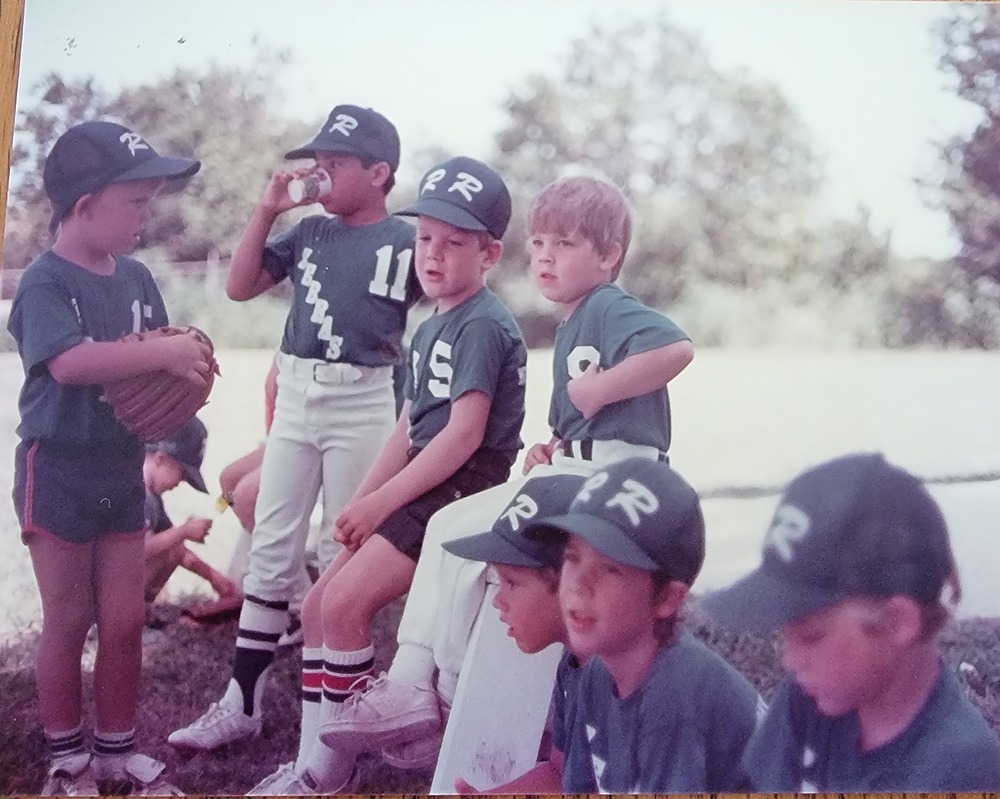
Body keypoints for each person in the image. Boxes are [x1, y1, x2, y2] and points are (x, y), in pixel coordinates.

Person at [321, 173, 695, 767]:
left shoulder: (606, 304)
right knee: (462, 532)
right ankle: (430, 687)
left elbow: (676, 350)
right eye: (540, 243)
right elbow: (591, 417)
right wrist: (557, 445)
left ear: (608, 256)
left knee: (448, 527)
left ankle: (423, 684)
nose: (545, 256)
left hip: (617, 481)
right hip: (583, 468)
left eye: (565, 245)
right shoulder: (577, 317)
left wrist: (598, 388)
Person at [244, 154, 527, 794]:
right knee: (318, 605)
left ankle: (326, 775)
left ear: (489, 255)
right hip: (422, 488)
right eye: (425, 237)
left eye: (455, 243)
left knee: (342, 606)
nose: (433, 254)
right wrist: (362, 502)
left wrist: (380, 506)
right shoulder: (433, 322)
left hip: (460, 492)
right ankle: (312, 762)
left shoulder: (482, 322)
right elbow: (406, 426)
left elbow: (462, 436)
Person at [168, 104, 420, 752]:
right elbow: (239, 285)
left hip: (363, 397)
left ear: (379, 171)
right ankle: (242, 701)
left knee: (343, 547)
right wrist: (266, 211)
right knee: (273, 542)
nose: (320, 174)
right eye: (319, 162)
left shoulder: (405, 238)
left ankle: (334, 711)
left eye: (336, 164)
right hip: (301, 394)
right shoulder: (308, 233)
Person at [8, 120, 206, 795]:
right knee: (70, 617)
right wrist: (163, 353)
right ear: (85, 205)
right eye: (135, 203)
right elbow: (69, 363)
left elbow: (158, 351)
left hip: (120, 468)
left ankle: (117, 753)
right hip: (56, 466)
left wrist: (182, 380)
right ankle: (68, 762)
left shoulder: (137, 275)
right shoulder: (44, 282)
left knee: (123, 619)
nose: (145, 217)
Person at [701, 452, 1000, 792]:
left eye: (812, 637)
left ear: (899, 622)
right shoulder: (811, 697)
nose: (790, 659)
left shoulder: (959, 768)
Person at [517, 457, 762, 793]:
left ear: (667, 600)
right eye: (573, 558)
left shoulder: (676, 699)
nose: (579, 584)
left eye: (609, 569)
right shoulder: (596, 674)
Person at [442, 473, 585, 794]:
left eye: (511, 582)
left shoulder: (634, 682)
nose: (498, 600)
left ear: (569, 584)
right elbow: (561, 773)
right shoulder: (574, 666)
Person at [143, 416, 239, 619]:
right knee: (170, 542)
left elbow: (177, 548)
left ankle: (140, 611)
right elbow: (139, 549)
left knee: (172, 545)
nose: (180, 483)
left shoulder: (154, 499)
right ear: (161, 459)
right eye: (182, 474)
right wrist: (183, 531)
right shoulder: (139, 495)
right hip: (101, 586)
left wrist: (214, 578)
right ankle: (127, 614)